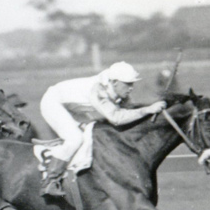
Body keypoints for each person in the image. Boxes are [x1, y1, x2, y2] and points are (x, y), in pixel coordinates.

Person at [37, 61, 166, 196]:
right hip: (53, 102)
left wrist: (153, 107)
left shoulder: (114, 85)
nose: (131, 88)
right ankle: (50, 181)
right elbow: (117, 118)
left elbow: (131, 109)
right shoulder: (99, 91)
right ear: (115, 82)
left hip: (73, 107)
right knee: (75, 138)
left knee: (92, 133)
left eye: (132, 83)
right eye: (127, 84)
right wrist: (148, 110)